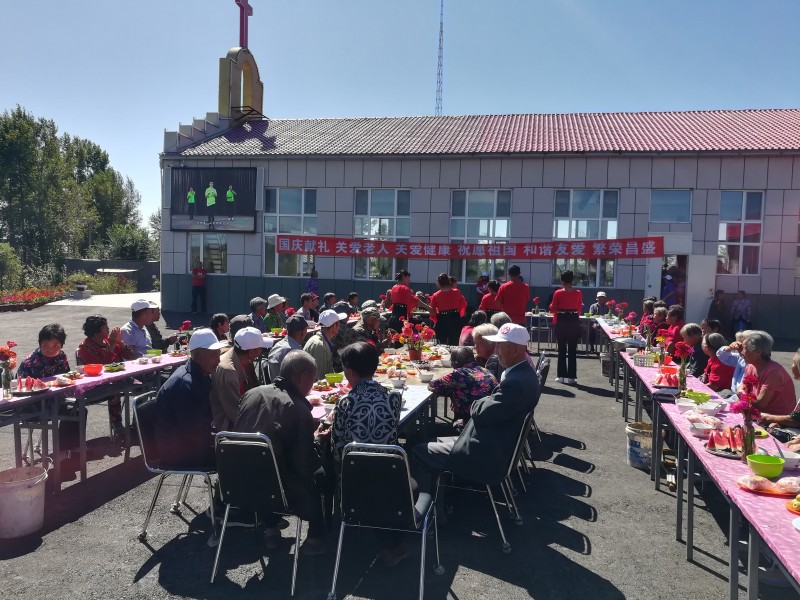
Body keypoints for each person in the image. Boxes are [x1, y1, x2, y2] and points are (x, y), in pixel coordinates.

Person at [412, 324, 538, 493]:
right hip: (492, 441)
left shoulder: (516, 382)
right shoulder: (523, 373)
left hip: (485, 451)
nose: (496, 350)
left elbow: (481, 413)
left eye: (500, 346)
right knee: (430, 438)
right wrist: (485, 400)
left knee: (417, 451)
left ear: (515, 349)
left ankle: (427, 508)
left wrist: (479, 402)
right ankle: (439, 498)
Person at [234, 350, 329, 554]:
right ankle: (315, 538)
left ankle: (270, 529)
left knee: (266, 464)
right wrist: (318, 440)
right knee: (321, 474)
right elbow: (305, 464)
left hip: (239, 484)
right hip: (279, 490)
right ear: (303, 377)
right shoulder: (297, 408)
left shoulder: (251, 394)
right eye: (312, 379)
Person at [154, 328, 227, 470]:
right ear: (198, 355)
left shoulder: (200, 374)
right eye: (213, 355)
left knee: (241, 448)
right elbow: (195, 433)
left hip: (190, 445)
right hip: (179, 453)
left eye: (219, 354)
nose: (218, 360)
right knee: (240, 455)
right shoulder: (184, 385)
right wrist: (223, 440)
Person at [77, 315, 136, 435]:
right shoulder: (86, 347)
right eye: (105, 327)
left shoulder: (108, 341)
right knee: (114, 392)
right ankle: (117, 425)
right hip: (95, 384)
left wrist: (120, 342)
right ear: (95, 332)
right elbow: (102, 366)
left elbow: (131, 356)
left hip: (116, 379)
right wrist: (113, 344)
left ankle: (137, 425)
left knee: (142, 384)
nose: (108, 329)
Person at [210, 327, 269, 431]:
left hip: (244, 413)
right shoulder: (229, 371)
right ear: (251, 352)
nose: (262, 350)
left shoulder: (244, 360)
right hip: (229, 426)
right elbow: (236, 413)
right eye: (261, 348)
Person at [428, 347, 498, 429]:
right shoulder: (484, 370)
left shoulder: (458, 374)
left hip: (473, 421)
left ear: (455, 362)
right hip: (493, 416)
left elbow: (433, 385)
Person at [739, 331, 796, 414]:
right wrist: (742, 393)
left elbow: (760, 403)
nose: (742, 352)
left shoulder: (774, 372)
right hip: (757, 412)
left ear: (758, 351)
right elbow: (742, 387)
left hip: (775, 419)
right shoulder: (750, 366)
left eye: (745, 348)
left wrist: (741, 395)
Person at [550, 270, 583, 385]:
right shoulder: (578, 292)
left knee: (562, 349)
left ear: (562, 281)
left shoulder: (558, 293)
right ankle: (572, 377)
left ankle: (561, 376)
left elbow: (553, 308)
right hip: (573, 319)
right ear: (572, 280)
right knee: (573, 349)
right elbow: (579, 308)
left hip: (562, 320)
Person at [760, 349, 800, 429]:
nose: (792, 366)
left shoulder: (774, 371)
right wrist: (780, 423)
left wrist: (765, 417)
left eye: (794, 363)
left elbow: (795, 420)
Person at [303, 309, 346, 380]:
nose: (340, 327)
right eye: (338, 323)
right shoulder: (319, 345)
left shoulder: (322, 341)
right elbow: (320, 378)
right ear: (334, 326)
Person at [429, 273, 467, 346]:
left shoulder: (436, 295)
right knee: (455, 343)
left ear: (438, 283)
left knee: (441, 344)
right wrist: (460, 313)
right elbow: (463, 304)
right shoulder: (457, 292)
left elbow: (433, 311)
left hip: (442, 319)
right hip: (455, 318)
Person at [267, 315, 309, 382]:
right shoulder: (296, 352)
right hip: (289, 389)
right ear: (302, 332)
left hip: (274, 386)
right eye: (306, 330)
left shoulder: (277, 345)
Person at [716, 330, 751, 396]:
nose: (738, 349)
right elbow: (722, 356)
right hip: (735, 393)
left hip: (744, 396)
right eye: (738, 345)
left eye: (743, 347)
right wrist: (729, 348)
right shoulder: (740, 358)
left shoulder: (755, 362)